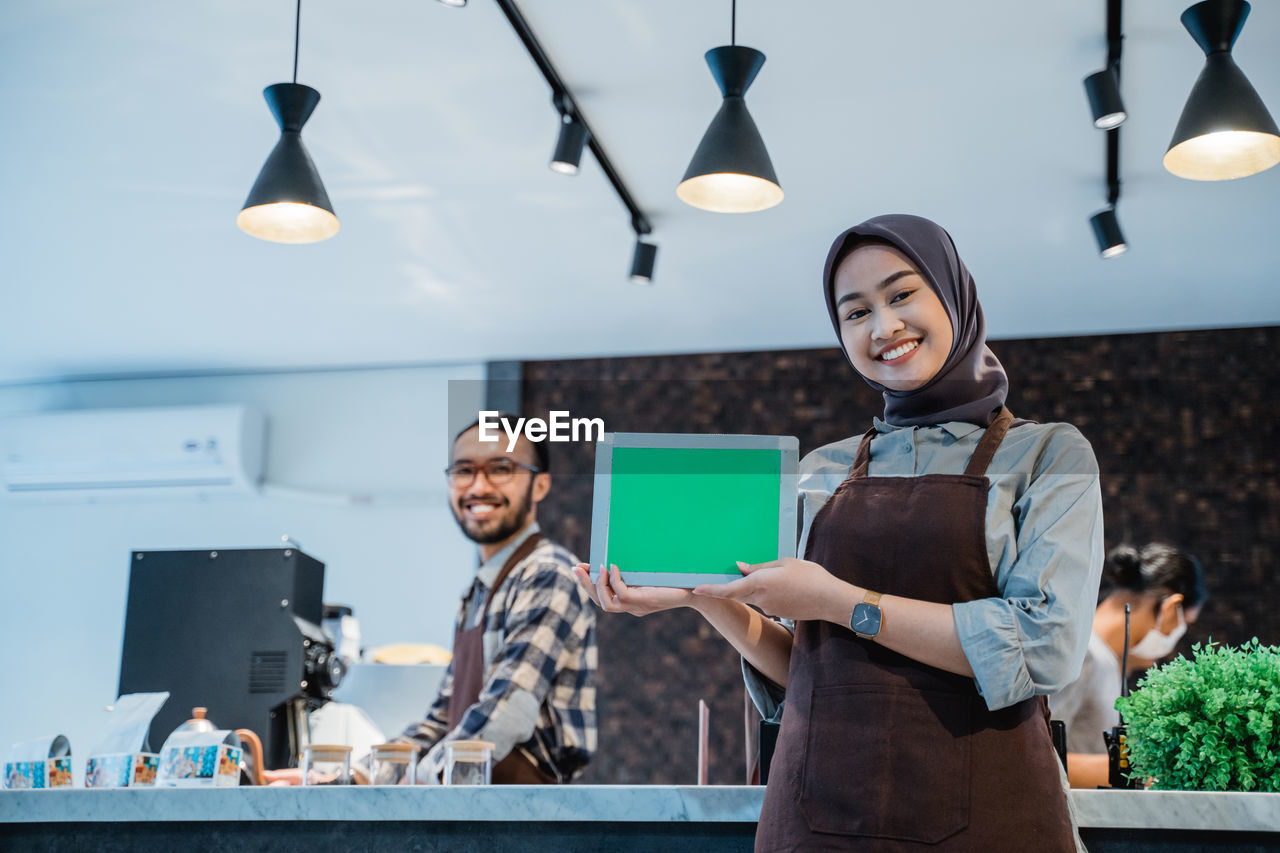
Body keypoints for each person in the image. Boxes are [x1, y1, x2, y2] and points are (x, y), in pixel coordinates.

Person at [574, 214, 1104, 851]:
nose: (884, 327)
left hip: (991, 814)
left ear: (954, 295)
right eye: (855, 313)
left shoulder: (1049, 454)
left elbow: (1044, 648)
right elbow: (804, 668)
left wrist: (840, 602)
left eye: (902, 294)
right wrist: (700, 594)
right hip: (815, 819)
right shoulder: (820, 469)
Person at [388, 416, 597, 783]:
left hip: (521, 809)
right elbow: (441, 718)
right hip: (468, 798)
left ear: (540, 484)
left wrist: (417, 783)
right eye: (464, 470)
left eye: (501, 468)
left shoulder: (547, 572)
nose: (478, 486)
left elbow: (507, 710)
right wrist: (355, 775)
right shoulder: (477, 593)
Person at [1049, 542, 1207, 789]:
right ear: (1170, 608)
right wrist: (1147, 774)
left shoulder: (1105, 662)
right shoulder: (1083, 653)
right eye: (1183, 624)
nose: (1176, 639)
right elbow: (1038, 755)